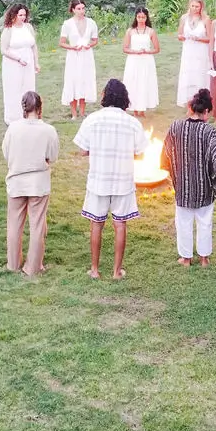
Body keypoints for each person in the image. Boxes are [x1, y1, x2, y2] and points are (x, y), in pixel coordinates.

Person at [74, 78, 149, 281]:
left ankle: (95, 269)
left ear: (105, 96)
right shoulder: (132, 122)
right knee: (120, 224)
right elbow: (140, 153)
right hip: (122, 180)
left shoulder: (92, 119)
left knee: (96, 224)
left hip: (99, 179)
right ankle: (116, 271)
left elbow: (82, 150)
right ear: (125, 99)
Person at [161, 87, 216, 267]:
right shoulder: (209, 131)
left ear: (191, 107)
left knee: (183, 222)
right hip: (204, 186)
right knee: (205, 221)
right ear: (206, 111)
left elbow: (165, 153)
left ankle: (186, 258)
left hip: (183, 186)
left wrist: (172, 174)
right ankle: (204, 258)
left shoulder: (176, 126)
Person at [2, 90, 60, 276]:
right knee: (37, 225)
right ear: (40, 108)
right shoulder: (48, 130)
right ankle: (33, 267)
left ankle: (13, 263)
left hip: (17, 181)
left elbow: (6, 152)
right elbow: (53, 156)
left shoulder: (13, 128)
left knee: (14, 224)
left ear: (24, 107)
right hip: (38, 184)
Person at [59, 0, 98, 119]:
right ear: (73, 10)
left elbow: (95, 40)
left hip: (86, 56)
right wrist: (72, 47)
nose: (81, 11)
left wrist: (89, 45)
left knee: (84, 80)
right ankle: (74, 113)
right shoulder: (68, 24)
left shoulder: (91, 23)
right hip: (73, 56)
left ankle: (82, 112)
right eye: (78, 9)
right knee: (73, 81)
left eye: (83, 8)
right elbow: (62, 42)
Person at [1, 2, 39, 125]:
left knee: (28, 87)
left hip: (28, 61)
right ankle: (13, 117)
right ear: (14, 15)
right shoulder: (8, 30)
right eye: (20, 15)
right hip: (13, 63)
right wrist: (18, 58)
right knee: (14, 89)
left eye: (24, 15)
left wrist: (36, 62)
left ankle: (29, 113)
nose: (23, 17)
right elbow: (4, 50)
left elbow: (34, 46)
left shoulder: (28, 27)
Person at [122, 5, 160, 116]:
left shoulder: (151, 31)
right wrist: (135, 52)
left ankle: (142, 109)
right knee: (133, 83)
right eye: (139, 17)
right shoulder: (130, 31)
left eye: (143, 17)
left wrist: (147, 51)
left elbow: (157, 49)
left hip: (146, 61)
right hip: (133, 60)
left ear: (146, 18)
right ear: (136, 17)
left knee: (144, 82)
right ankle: (134, 108)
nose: (141, 19)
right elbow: (125, 48)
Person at [176, 0, 212, 107]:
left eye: (197, 6)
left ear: (201, 6)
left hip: (201, 52)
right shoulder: (184, 18)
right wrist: (182, 37)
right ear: (189, 5)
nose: (195, 9)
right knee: (188, 76)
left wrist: (199, 39)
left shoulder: (206, 19)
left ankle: (202, 103)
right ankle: (189, 104)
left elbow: (210, 38)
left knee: (200, 77)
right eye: (193, 6)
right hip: (188, 52)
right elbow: (179, 35)